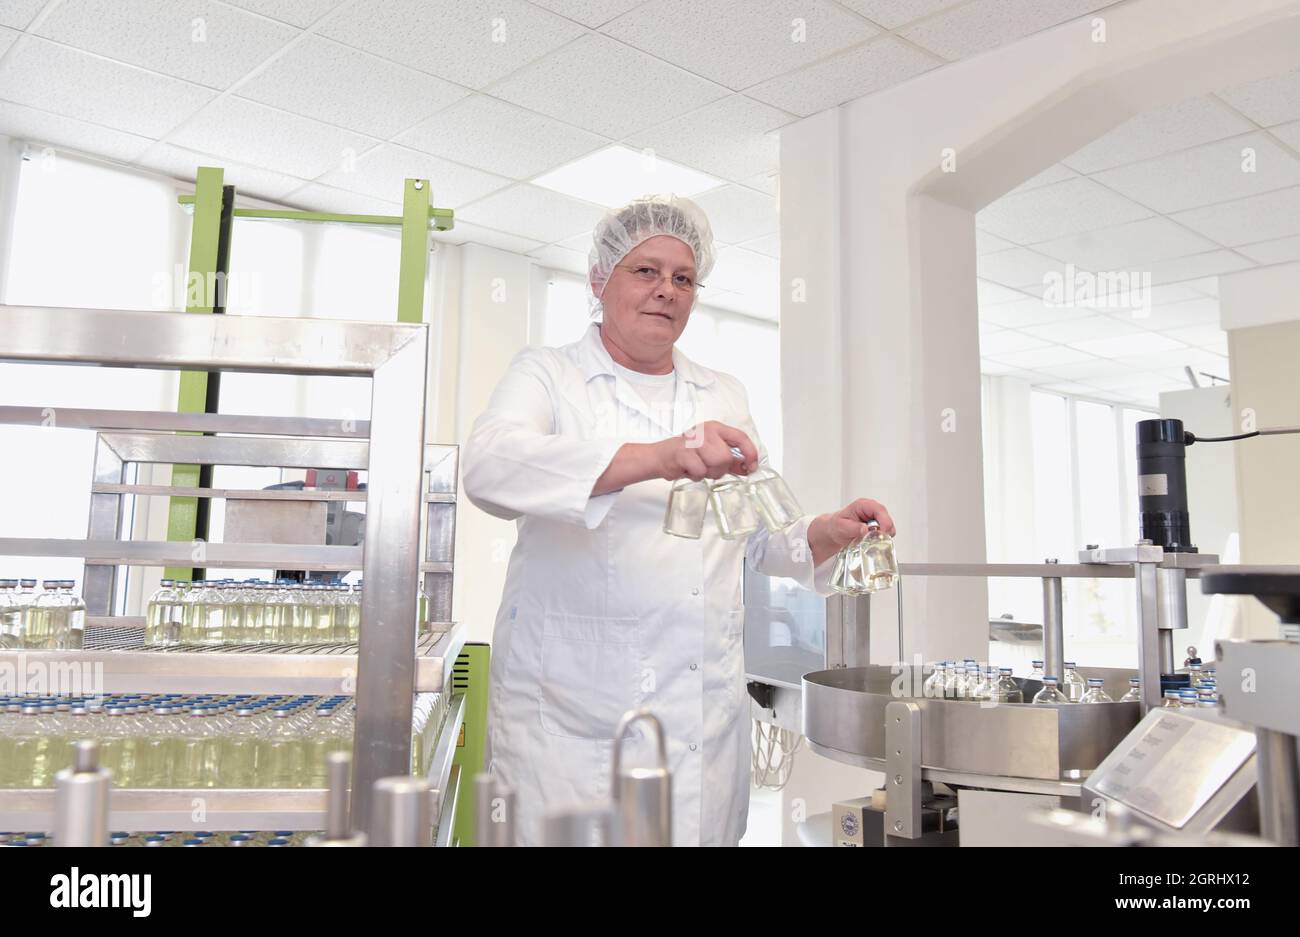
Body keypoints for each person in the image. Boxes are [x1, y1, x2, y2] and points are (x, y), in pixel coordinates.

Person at [462, 194, 895, 845]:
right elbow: (489, 468)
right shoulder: (549, 375)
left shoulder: (723, 394)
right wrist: (659, 457)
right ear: (599, 278)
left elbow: (756, 534)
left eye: (683, 278)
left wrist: (823, 532)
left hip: (699, 729)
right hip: (570, 735)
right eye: (646, 271)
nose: (666, 290)